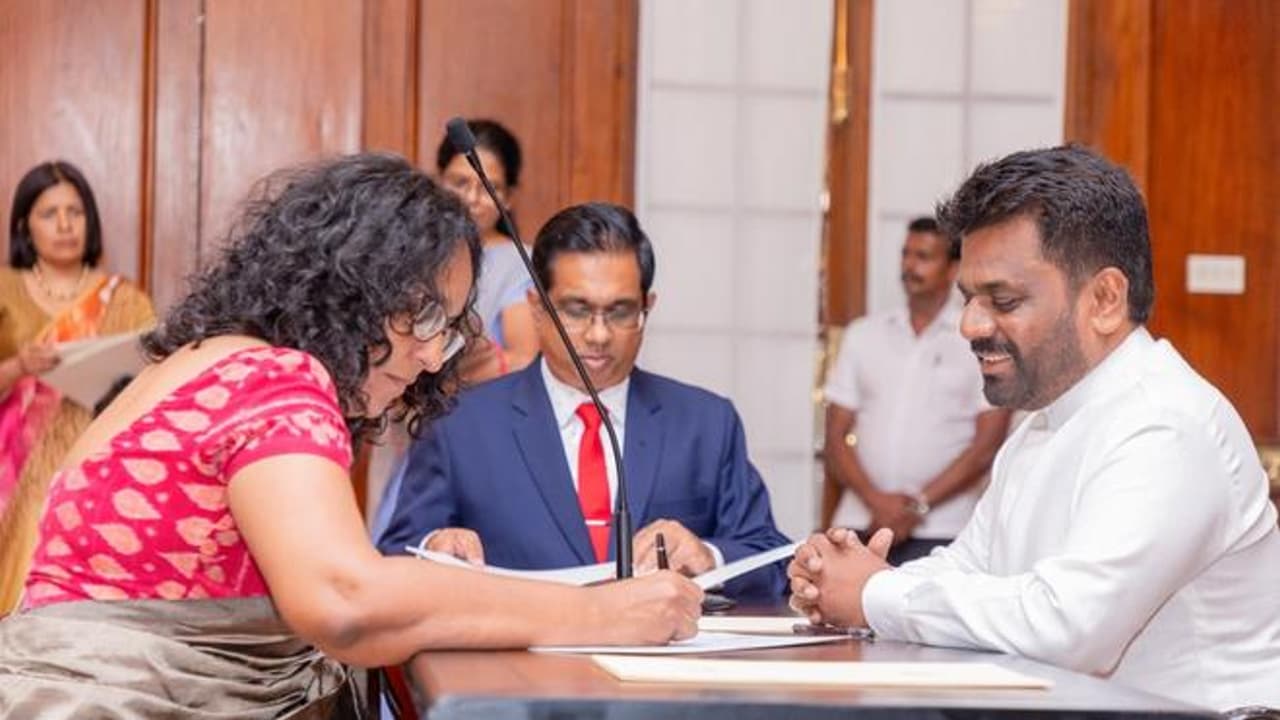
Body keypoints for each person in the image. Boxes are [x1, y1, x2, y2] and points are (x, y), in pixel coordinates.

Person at [0, 155, 702, 718]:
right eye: (424, 319)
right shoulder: (275, 378)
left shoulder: (202, 360)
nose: (434, 356)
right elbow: (345, 602)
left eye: (450, 330)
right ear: (353, 291)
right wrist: (593, 611)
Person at [788, 145, 1280, 711]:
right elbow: (970, 566)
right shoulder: (1045, 422)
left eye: (1003, 300)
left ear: (1104, 299)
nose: (970, 325)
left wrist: (875, 593)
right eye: (969, 299)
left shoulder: (1165, 423)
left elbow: (1069, 629)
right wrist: (859, 574)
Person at [377, 202, 791, 600]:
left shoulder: (705, 423)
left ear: (647, 307)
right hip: (515, 666)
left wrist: (708, 556)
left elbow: (772, 559)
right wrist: (437, 545)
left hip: (660, 666)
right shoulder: (459, 424)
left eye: (620, 312)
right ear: (537, 307)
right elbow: (397, 553)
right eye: (576, 311)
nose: (598, 334)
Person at [0, 160, 155, 614]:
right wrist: (19, 367)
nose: (66, 225)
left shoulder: (124, 298)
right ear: (25, 226)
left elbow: (156, 375)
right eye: (50, 214)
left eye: (76, 212)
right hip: (16, 476)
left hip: (94, 468)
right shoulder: (5, 291)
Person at [823, 217, 1009, 564]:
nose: (910, 266)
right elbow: (835, 436)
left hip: (945, 528)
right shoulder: (863, 335)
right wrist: (877, 502)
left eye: (924, 256)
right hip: (860, 522)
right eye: (906, 254)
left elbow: (987, 445)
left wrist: (917, 506)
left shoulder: (977, 338)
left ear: (954, 267)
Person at [437, 118, 538, 379]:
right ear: (438, 182)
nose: (471, 199)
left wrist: (449, 377)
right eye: (460, 183)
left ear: (509, 197)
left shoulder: (520, 262)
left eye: (488, 188)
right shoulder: (416, 251)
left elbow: (523, 358)